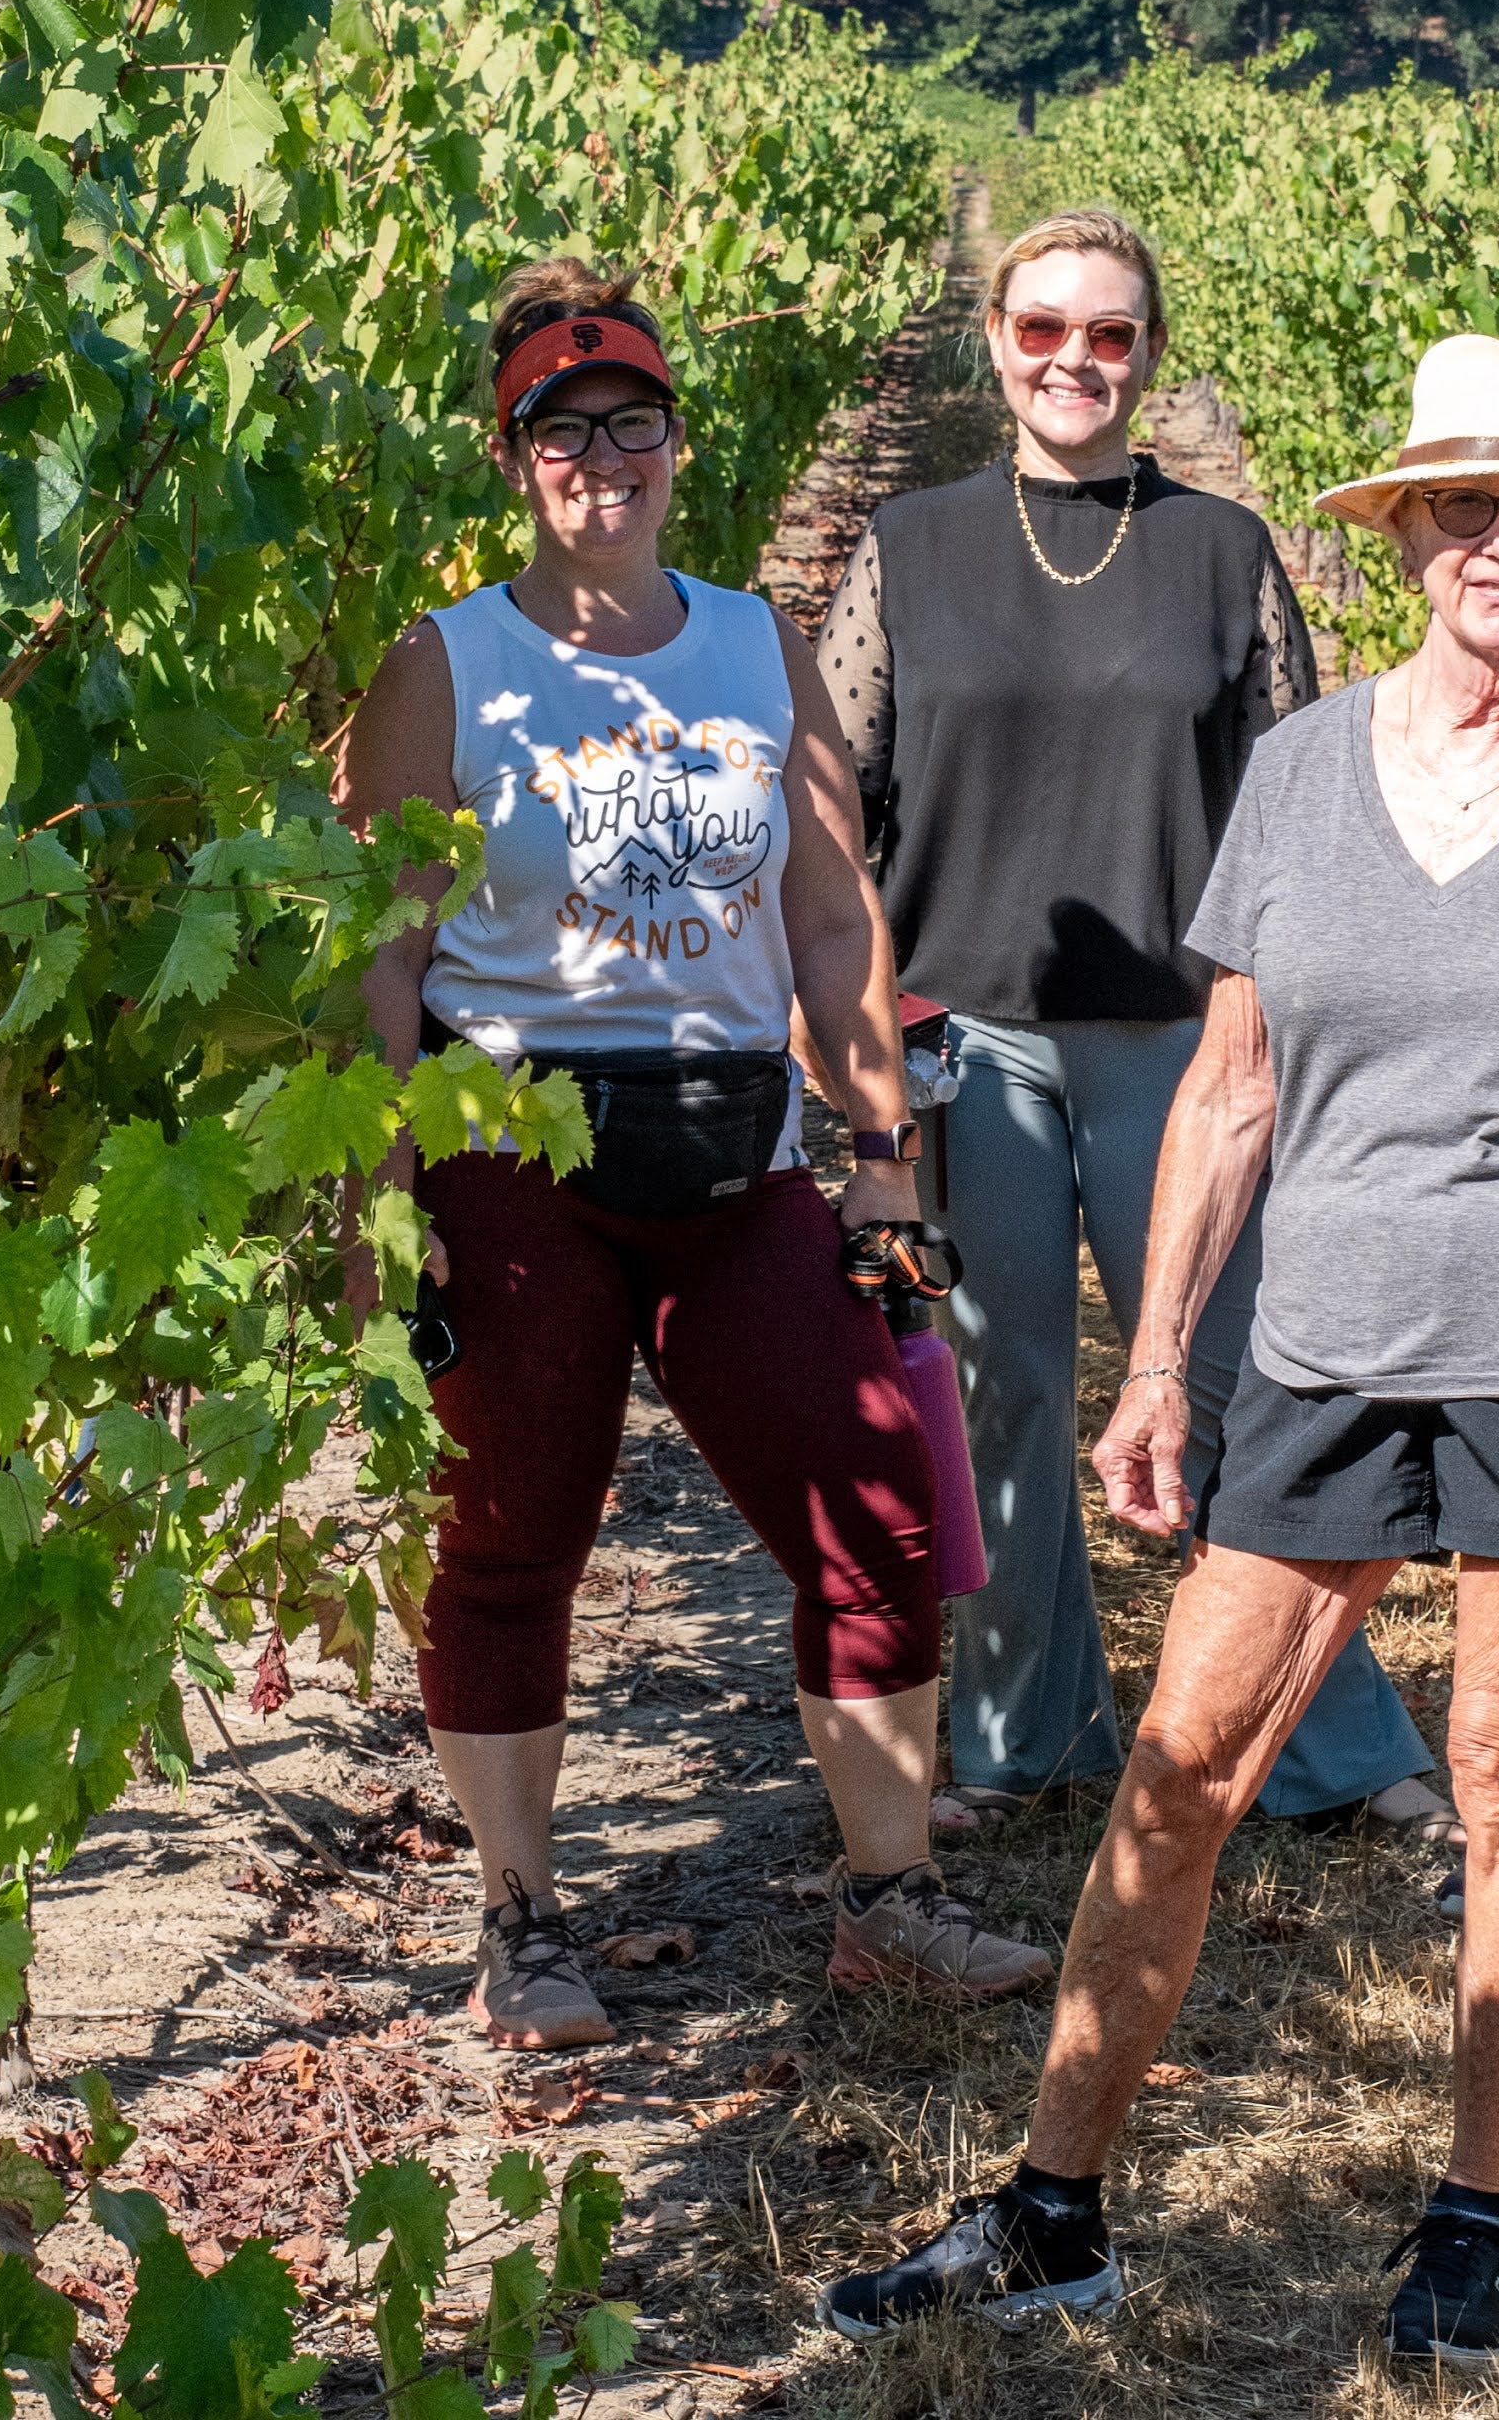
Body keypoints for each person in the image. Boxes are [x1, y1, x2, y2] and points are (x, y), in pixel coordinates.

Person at [825, 335, 1499, 2366]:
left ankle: (1472, 2210)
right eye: (1469, 505)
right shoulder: (1297, 771)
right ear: (1407, 537)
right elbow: (1230, 1086)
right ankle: (1053, 2203)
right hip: (1333, 1340)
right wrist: (1163, 1355)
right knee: (1180, 1766)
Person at [333, 264, 1057, 2051]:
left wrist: (878, 1154)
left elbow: (826, 918)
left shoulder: (755, 641)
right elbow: (381, 953)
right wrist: (377, 1200)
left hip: (734, 1150)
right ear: (512, 458)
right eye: (561, 431)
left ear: (675, 447)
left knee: (874, 1507)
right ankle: (522, 1921)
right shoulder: (446, 665)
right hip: (514, 1154)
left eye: (632, 424)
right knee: (512, 1542)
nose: (602, 458)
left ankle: (889, 1897)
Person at [815, 207, 1441, 1841]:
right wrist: (858, 1048)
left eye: (1107, 334)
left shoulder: (1222, 554)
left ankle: (1321, 1742)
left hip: (1183, 1037)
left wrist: (1309, 1037)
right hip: (972, 1037)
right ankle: (1029, 1740)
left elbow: (1297, 805)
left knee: (1240, 1375)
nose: (1071, 361)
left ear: (1150, 355)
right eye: (1040, 330)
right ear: (994, 342)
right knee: (1003, 1384)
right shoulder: (908, 545)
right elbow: (832, 804)